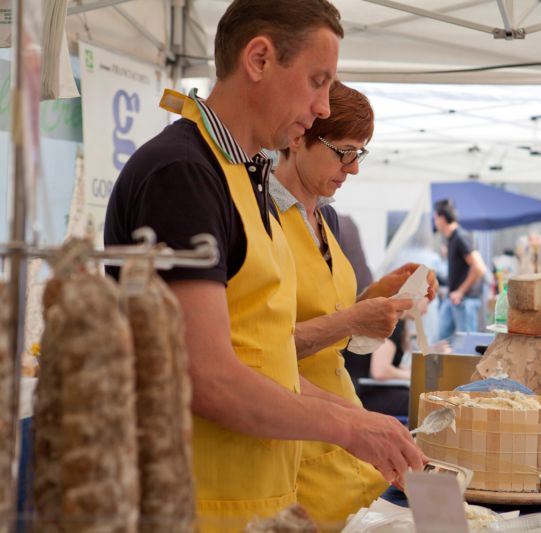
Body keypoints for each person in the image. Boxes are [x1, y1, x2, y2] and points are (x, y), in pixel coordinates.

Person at [104, 1, 426, 531]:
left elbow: (266, 357)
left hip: (255, 503)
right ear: (258, 59)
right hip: (197, 507)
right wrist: (348, 430)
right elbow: (206, 377)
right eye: (317, 81)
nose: (323, 107)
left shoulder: (242, 176)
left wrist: (361, 419)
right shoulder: (183, 175)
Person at [271, 80, 436, 526]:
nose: (353, 168)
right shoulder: (260, 218)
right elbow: (264, 349)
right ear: (297, 137)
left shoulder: (327, 218)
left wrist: (380, 295)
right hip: (294, 436)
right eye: (343, 151)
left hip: (345, 427)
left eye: (359, 153)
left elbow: (328, 322)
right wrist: (353, 318)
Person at [434, 199, 488, 340]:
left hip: (465, 301)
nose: (434, 221)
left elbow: (480, 268)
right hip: (454, 299)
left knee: (467, 345)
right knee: (442, 340)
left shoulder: (460, 237)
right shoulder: (452, 239)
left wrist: (460, 291)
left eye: (435, 217)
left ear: (442, 218)